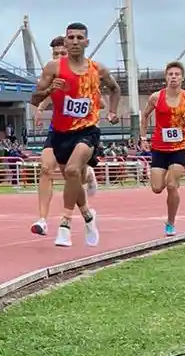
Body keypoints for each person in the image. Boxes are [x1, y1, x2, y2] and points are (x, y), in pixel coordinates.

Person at [30, 22, 120, 247]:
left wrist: (112, 111)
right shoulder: (53, 68)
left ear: (87, 42)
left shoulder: (97, 69)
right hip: (60, 132)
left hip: (88, 130)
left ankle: (65, 225)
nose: (75, 42)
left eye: (80, 38)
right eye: (71, 38)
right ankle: (88, 217)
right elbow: (34, 98)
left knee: (72, 170)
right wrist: (50, 90)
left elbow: (115, 88)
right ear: (66, 40)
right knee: (72, 178)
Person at [30, 35, 98, 236]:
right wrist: (40, 109)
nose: (58, 56)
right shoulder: (51, 72)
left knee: (73, 175)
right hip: (57, 131)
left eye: (62, 53)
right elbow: (43, 95)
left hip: (80, 132)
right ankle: (42, 220)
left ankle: (85, 209)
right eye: (55, 54)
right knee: (45, 169)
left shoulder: (84, 75)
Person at [138, 61, 185, 235]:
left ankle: (170, 222)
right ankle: (169, 177)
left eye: (177, 74)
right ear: (166, 77)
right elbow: (144, 116)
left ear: (182, 78)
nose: (173, 77)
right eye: (170, 74)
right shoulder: (156, 97)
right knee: (156, 188)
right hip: (159, 147)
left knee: (171, 186)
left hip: (179, 147)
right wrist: (143, 137)